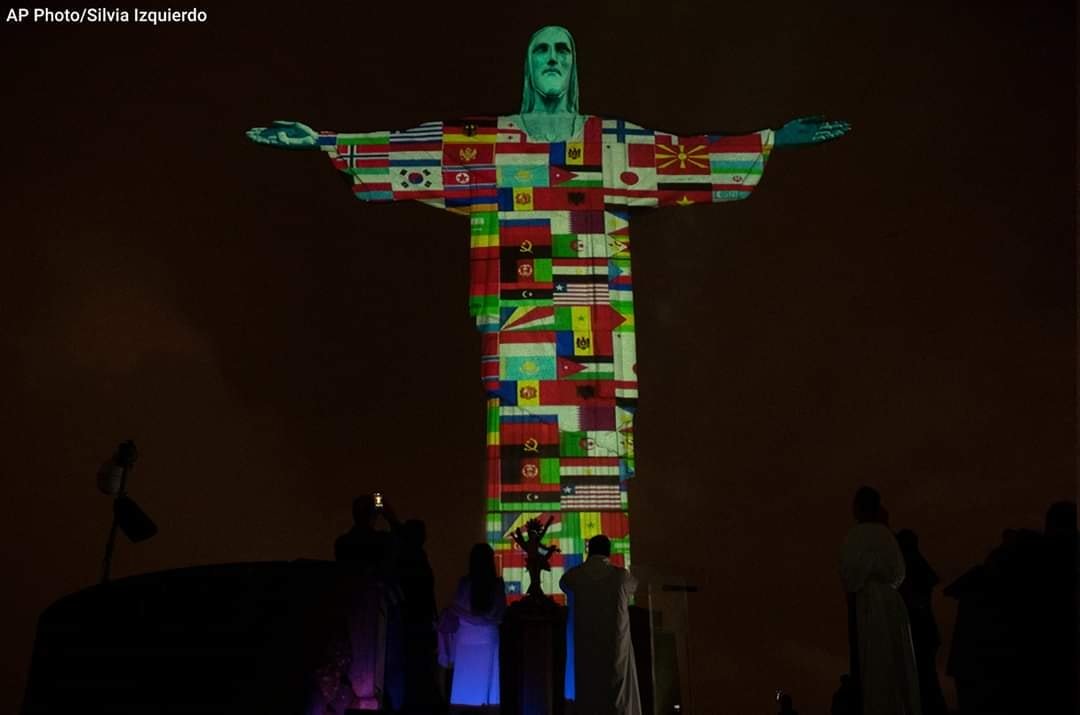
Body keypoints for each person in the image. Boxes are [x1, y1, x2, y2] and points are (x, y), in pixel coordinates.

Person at [247, 26, 851, 585]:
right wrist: (324, 141)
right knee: (521, 474)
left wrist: (769, 139)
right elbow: (416, 151)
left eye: (563, 50)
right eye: (542, 50)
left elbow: (684, 156)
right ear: (527, 68)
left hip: (593, 332)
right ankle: (522, 592)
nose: (553, 60)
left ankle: (596, 598)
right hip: (520, 338)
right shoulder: (493, 143)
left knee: (595, 480)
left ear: (575, 67)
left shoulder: (608, 142)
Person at [839, 487, 921, 715]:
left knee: (876, 661)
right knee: (894, 660)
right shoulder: (885, 536)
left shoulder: (855, 537)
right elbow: (897, 571)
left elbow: (849, 574)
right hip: (888, 602)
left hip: (869, 604)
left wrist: (866, 574)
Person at [559, 534, 640, 715]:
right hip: (614, 644)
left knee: (588, 688)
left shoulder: (575, 575)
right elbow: (635, 586)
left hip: (586, 645)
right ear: (608, 552)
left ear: (589, 551)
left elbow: (563, 583)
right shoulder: (621, 576)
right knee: (615, 690)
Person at [448, 543, 506, 710]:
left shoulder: (465, 584)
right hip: (488, 637)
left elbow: (457, 608)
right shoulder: (497, 585)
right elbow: (500, 614)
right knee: (487, 686)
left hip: (466, 637)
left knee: (465, 686)